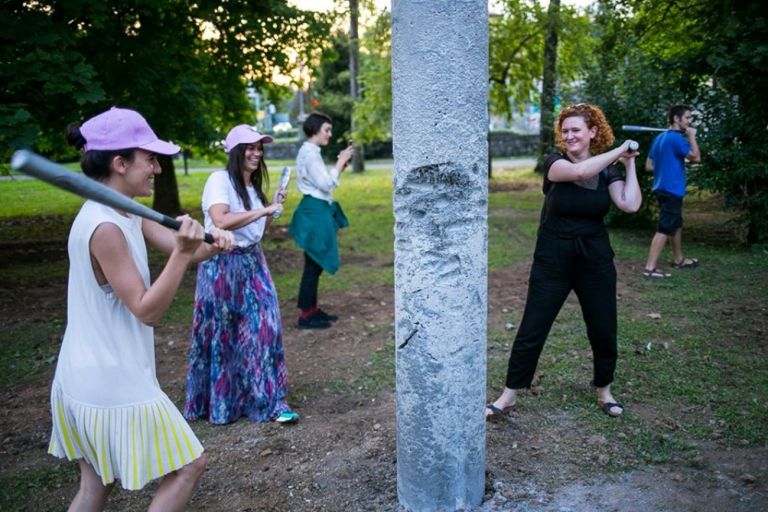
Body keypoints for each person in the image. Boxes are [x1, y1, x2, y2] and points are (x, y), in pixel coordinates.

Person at [50, 107, 235, 511]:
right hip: (107, 379)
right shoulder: (105, 228)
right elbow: (146, 309)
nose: (157, 168)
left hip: (89, 370)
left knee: (95, 485)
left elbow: (182, 248)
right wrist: (184, 254)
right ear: (120, 163)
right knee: (190, 465)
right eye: (149, 158)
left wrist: (212, 239)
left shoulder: (128, 211)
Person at [486, 103, 642, 420]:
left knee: (603, 327)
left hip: (594, 260)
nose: (569, 136)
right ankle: (508, 395)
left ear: (593, 132)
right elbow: (582, 172)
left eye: (576, 130)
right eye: (565, 130)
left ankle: (604, 390)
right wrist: (618, 150)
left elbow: (629, 204)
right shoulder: (555, 163)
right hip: (553, 260)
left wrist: (628, 165)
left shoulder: (608, 169)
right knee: (533, 327)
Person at [183, 124, 299, 425]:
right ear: (236, 151)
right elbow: (220, 219)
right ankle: (222, 403)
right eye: (250, 147)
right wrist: (263, 210)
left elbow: (254, 232)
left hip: (253, 262)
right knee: (224, 333)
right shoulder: (219, 180)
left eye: (260, 147)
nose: (257, 152)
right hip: (221, 264)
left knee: (265, 327)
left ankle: (269, 400)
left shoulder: (253, 189)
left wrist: (272, 208)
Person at [288, 112, 355, 329]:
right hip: (314, 211)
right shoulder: (310, 154)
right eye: (326, 129)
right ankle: (306, 315)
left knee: (314, 264)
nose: (330, 134)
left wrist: (339, 166)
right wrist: (340, 162)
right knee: (313, 264)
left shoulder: (311, 152)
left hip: (316, 209)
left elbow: (323, 183)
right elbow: (326, 184)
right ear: (315, 129)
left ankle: (312, 310)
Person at [643, 105, 701, 278]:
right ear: (676, 119)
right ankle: (650, 268)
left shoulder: (660, 137)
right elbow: (696, 157)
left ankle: (679, 259)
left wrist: (669, 164)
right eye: (687, 118)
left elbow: (649, 166)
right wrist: (691, 137)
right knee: (665, 227)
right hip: (671, 189)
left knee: (675, 224)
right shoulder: (676, 138)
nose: (690, 122)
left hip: (662, 188)